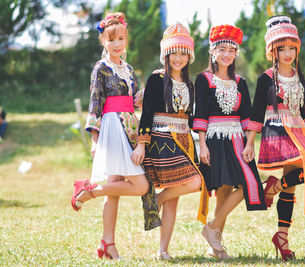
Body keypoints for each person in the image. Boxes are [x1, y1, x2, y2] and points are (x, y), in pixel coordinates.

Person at [70, 12, 161, 260]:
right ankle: (91, 193)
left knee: (115, 191)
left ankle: (106, 243)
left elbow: (132, 101)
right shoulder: (101, 68)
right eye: (112, 40)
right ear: (103, 42)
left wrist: (145, 92)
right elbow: (95, 102)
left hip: (129, 126)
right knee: (140, 185)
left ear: (126, 39)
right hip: (111, 126)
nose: (117, 44)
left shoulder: (129, 69)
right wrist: (94, 139)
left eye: (121, 38)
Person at [243, 15, 305, 261]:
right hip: (277, 130)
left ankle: (281, 235)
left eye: (291, 47)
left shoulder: (299, 76)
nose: (287, 53)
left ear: (297, 48)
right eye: (281, 48)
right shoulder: (265, 78)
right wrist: (250, 142)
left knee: (303, 176)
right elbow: (257, 112)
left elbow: (304, 113)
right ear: (272, 49)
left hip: (299, 132)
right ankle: (277, 197)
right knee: (304, 175)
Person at [131, 22, 207, 260]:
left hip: (184, 140)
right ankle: (158, 199)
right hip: (162, 140)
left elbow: (191, 118)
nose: (178, 58)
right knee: (196, 182)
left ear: (189, 55)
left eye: (183, 53)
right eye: (174, 52)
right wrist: (141, 144)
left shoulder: (190, 83)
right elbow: (147, 113)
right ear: (166, 53)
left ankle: (163, 249)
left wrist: (205, 139)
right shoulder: (157, 79)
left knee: (173, 198)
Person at [194, 24, 266, 259]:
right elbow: (201, 113)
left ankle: (212, 227)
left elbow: (246, 115)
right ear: (213, 52)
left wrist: (250, 142)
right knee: (223, 190)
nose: (226, 54)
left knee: (249, 183)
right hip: (214, 140)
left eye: (231, 50)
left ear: (236, 54)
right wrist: (202, 144)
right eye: (221, 49)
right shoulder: (203, 79)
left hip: (237, 139)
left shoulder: (240, 82)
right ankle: (216, 246)